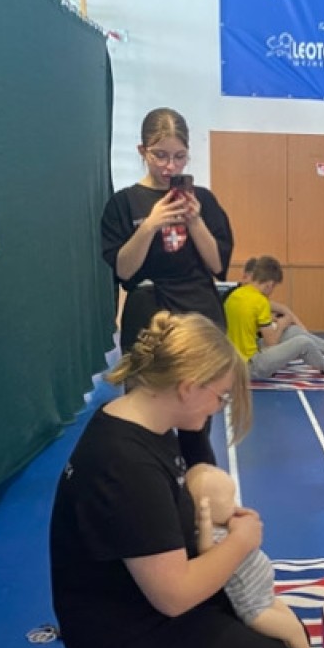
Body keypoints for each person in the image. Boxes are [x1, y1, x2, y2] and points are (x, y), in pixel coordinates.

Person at [45, 310, 310, 648]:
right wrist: (240, 542)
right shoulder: (126, 465)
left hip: (139, 604)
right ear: (188, 388)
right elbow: (174, 596)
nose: (219, 407)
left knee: (274, 633)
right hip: (124, 636)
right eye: (220, 397)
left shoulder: (146, 422)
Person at [101, 107, 235, 468]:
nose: (169, 166)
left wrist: (195, 222)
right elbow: (124, 270)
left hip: (198, 312)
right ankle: (148, 486)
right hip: (148, 315)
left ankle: (198, 489)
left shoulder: (203, 200)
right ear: (142, 151)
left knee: (197, 424)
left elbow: (217, 264)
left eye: (179, 156)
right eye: (160, 155)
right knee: (143, 419)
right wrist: (150, 225)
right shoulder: (123, 203)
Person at [185, 462, 324, 648]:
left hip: (265, 595)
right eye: (229, 500)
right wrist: (206, 524)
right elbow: (206, 553)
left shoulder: (227, 524)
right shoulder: (210, 535)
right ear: (205, 509)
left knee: (293, 624)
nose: (235, 504)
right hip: (255, 610)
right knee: (292, 630)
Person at [224, 254, 324, 378]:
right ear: (270, 284)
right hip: (252, 366)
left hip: (235, 361)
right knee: (303, 343)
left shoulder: (234, 295)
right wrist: (281, 325)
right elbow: (271, 344)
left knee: (292, 332)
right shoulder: (260, 302)